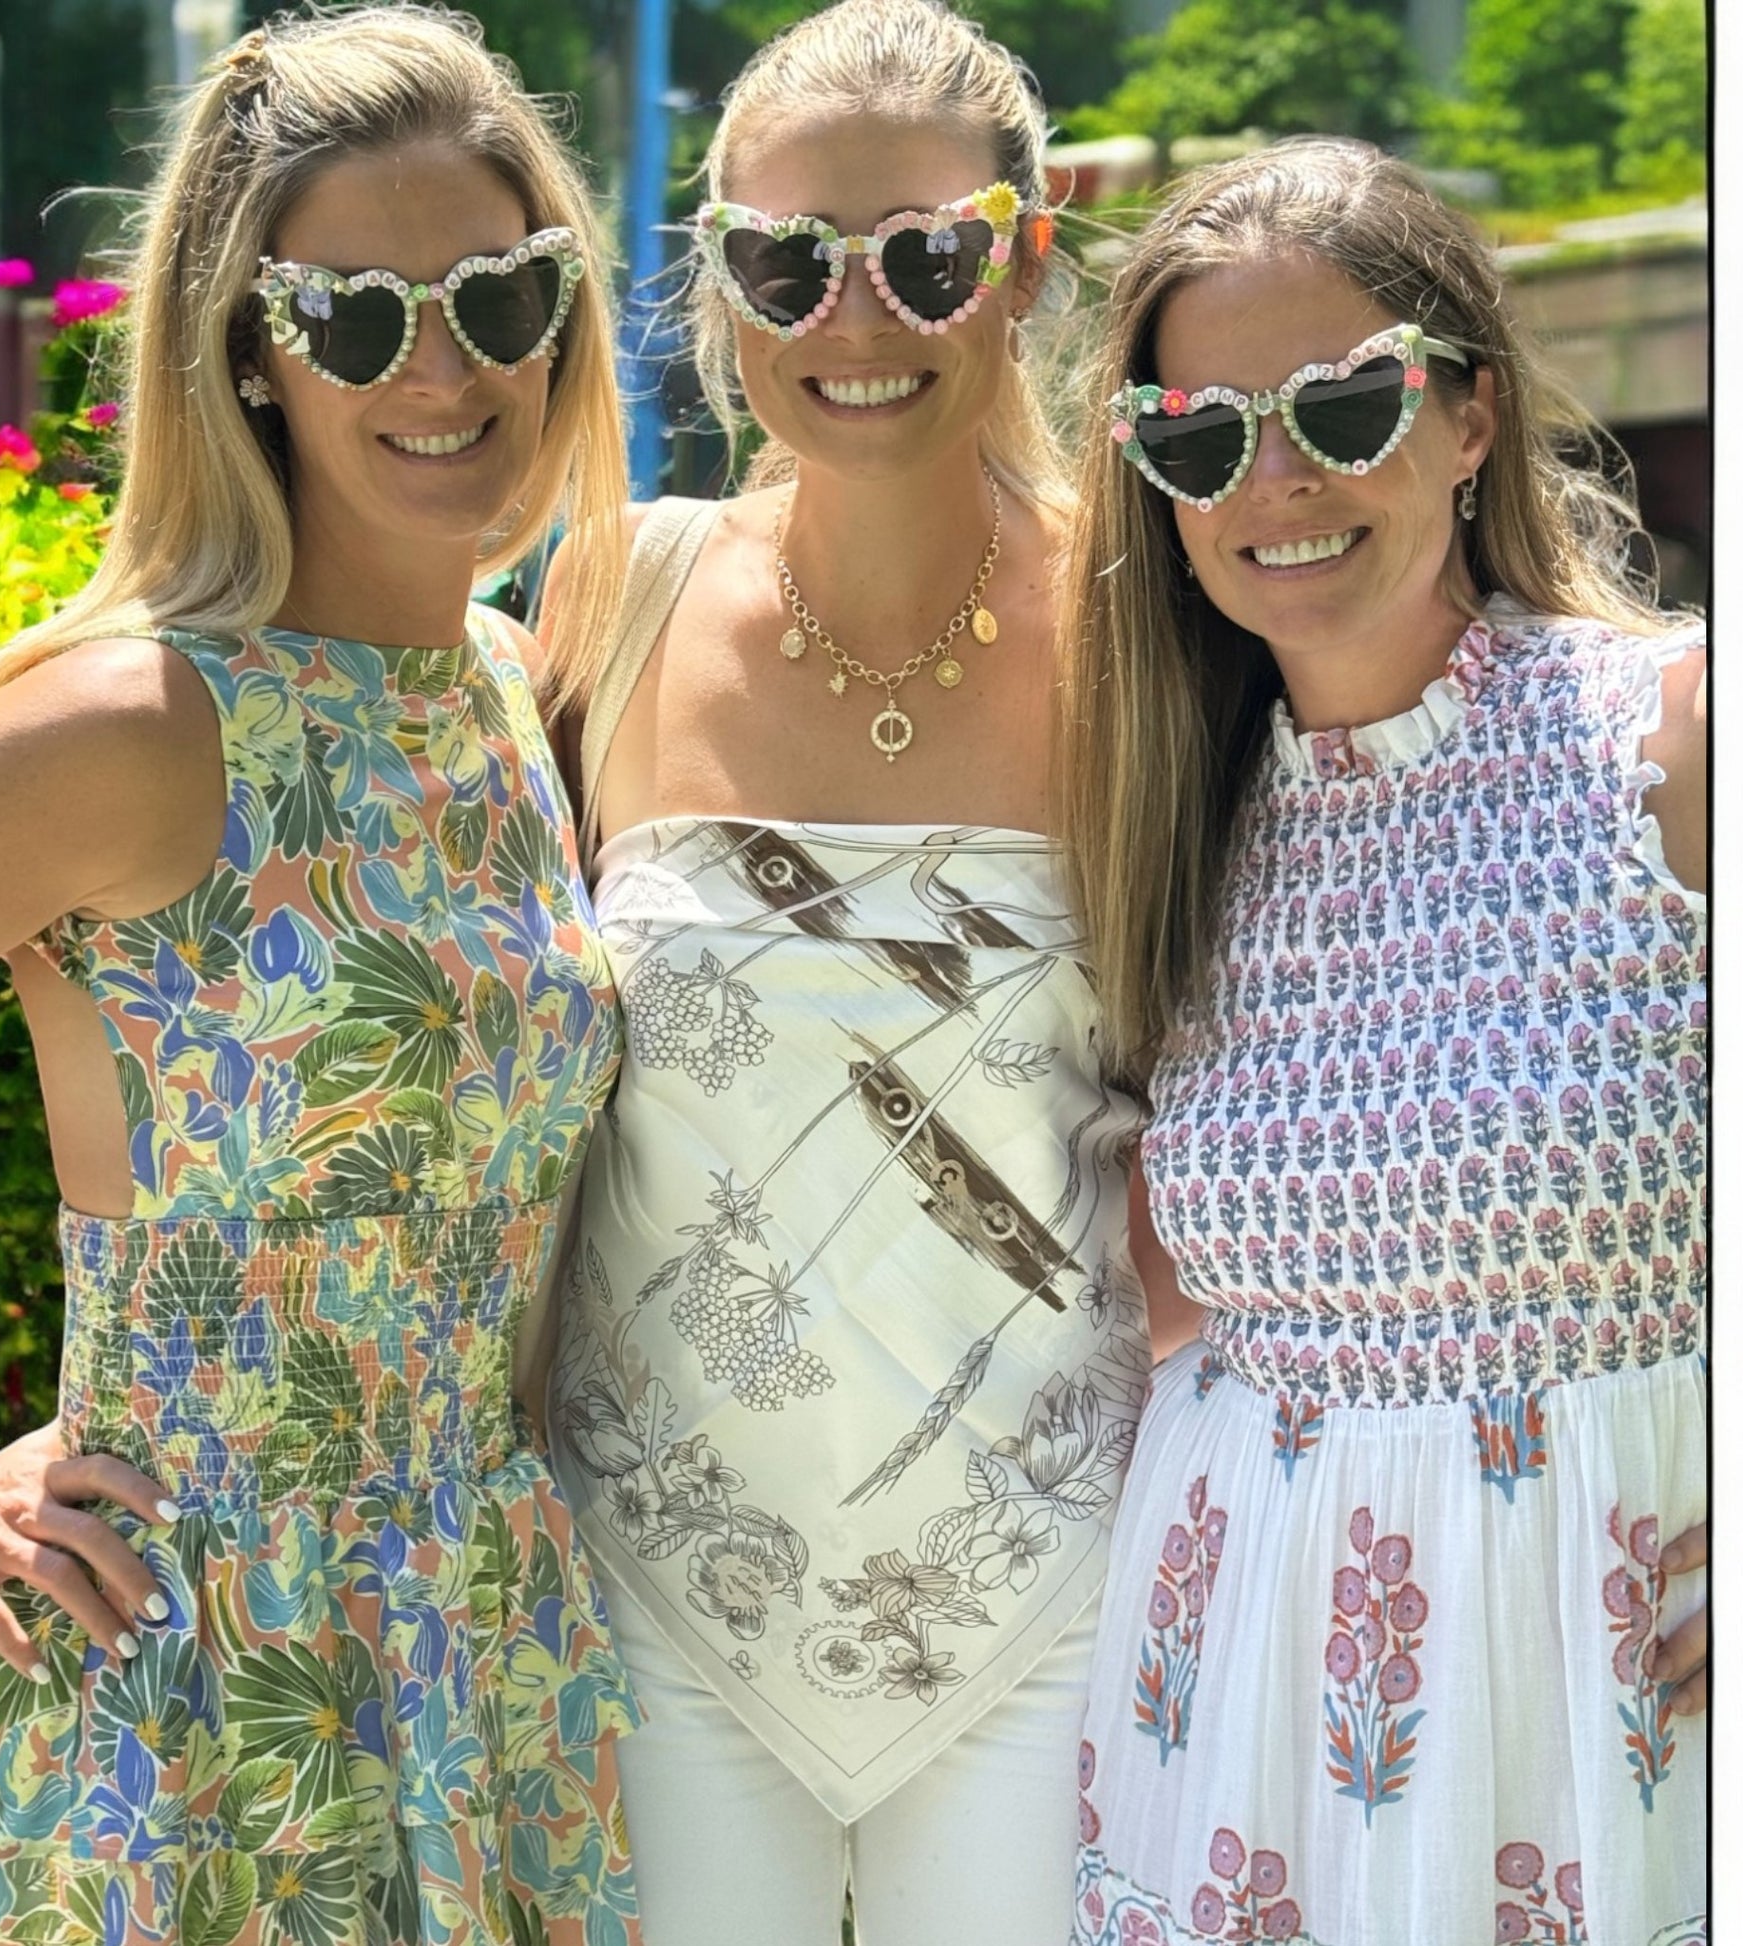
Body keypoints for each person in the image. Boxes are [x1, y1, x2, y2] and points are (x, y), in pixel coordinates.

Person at [0, 9, 644, 1941]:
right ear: (251, 352)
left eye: (498, 294)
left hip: (495, 1667)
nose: (444, 366)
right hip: (189, 1696)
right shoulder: (127, 720)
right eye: (357, 315)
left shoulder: (505, 695)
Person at [538, 4, 1151, 1942]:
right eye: (786, 260)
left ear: (1025, 258)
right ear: (719, 276)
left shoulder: (1168, 630)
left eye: (924, 254)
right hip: (651, 1592)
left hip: (1063, 1586)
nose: (851, 316)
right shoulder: (607, 594)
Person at [1056, 137, 1706, 1946]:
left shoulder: (1678, 737)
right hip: (1249, 1740)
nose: (1271, 481)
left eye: (1340, 409)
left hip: (1610, 1714)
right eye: (1198, 436)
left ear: (1469, 415)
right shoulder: (1170, 831)